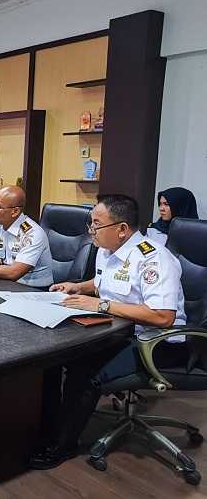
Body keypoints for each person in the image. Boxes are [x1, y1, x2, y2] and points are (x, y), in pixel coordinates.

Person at [30, 194, 187, 469]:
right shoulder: (107, 250)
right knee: (55, 357)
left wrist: (101, 304)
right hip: (119, 331)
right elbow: (106, 283)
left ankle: (62, 445)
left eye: (96, 225)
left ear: (122, 229)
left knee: (85, 372)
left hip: (157, 343)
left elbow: (163, 316)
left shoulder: (154, 259)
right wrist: (80, 287)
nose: (91, 231)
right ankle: (47, 428)